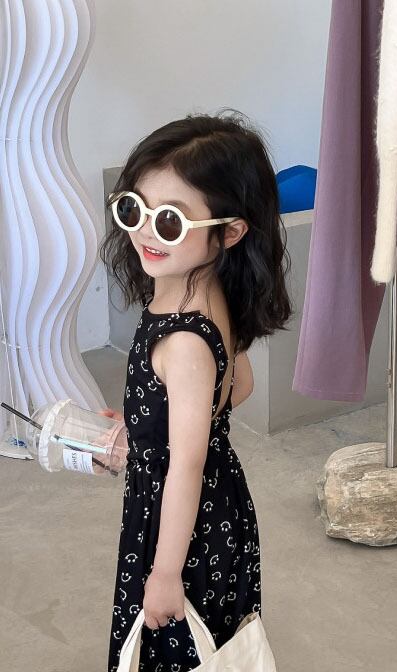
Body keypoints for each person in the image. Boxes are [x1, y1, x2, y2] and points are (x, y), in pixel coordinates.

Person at [98, 110, 292, 671]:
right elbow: (238, 385)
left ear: (230, 231)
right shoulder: (207, 294)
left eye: (170, 222)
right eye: (133, 209)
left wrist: (164, 574)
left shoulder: (182, 338)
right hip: (217, 504)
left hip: (183, 524)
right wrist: (148, 429)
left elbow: (186, 465)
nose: (143, 232)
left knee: (174, 646)